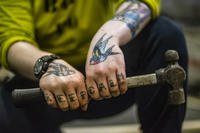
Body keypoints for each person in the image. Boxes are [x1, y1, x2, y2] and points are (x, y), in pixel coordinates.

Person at [0, 0, 188, 133]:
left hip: (111, 77)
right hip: (47, 89)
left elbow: (140, 3)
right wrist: (49, 66)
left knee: (164, 34)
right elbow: (11, 40)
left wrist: (107, 38)